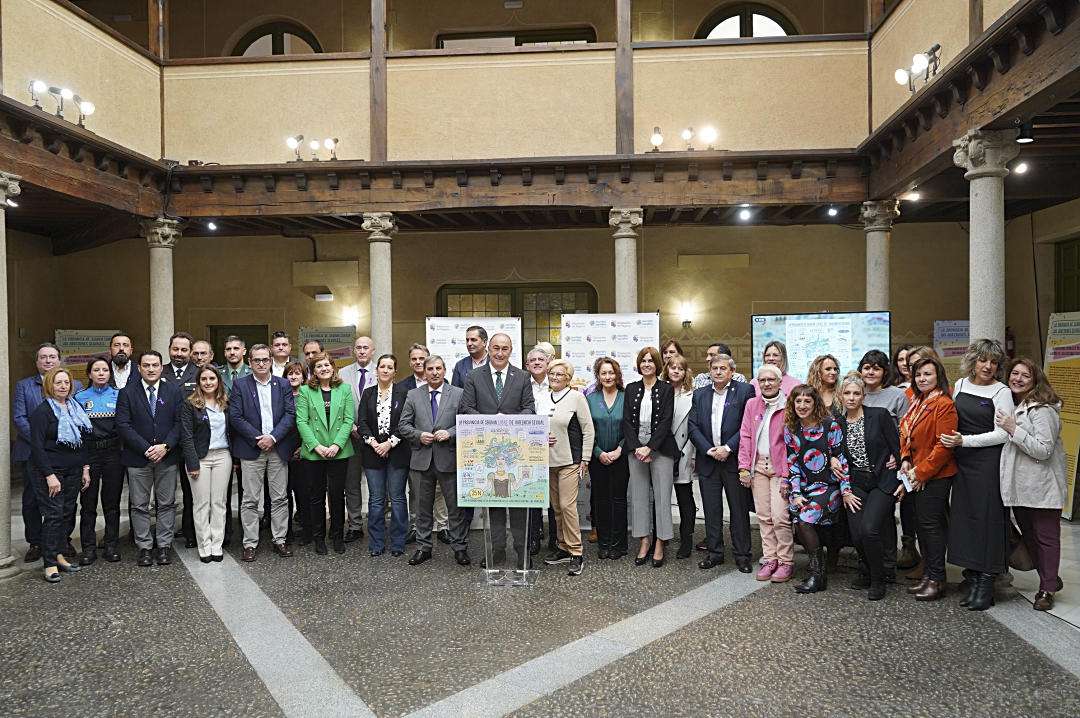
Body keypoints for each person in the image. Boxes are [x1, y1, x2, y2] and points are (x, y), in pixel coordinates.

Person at [939, 339, 1015, 611]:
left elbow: (1003, 434)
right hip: (961, 463)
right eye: (983, 360)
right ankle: (971, 575)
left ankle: (987, 582)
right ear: (973, 361)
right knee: (966, 518)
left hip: (987, 463)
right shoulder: (959, 385)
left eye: (994, 362)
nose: (988, 366)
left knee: (987, 520)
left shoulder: (1001, 391)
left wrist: (965, 442)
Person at [460, 333, 535, 569]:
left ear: (511, 350)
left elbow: (529, 408)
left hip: (515, 450)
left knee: (518, 504)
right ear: (489, 350)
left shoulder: (522, 376)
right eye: (495, 348)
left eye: (504, 348)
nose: (500, 353)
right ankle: (498, 551)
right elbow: (467, 407)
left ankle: (522, 553)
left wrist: (508, 422)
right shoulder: (474, 376)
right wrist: (491, 423)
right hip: (487, 451)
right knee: (495, 504)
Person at [997, 358, 1067, 611]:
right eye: (1014, 373)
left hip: (1043, 487)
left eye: (1025, 375)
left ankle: (1047, 589)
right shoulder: (1013, 405)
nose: (1017, 378)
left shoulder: (1043, 410)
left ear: (1035, 379)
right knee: (1031, 537)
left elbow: (1044, 449)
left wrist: (1013, 429)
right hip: (1021, 487)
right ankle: (1051, 577)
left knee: (1046, 538)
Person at [398, 355, 471, 566]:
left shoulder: (458, 394)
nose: (434, 372)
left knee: (455, 508)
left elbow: (466, 422)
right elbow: (404, 426)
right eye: (430, 369)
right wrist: (418, 435)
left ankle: (460, 548)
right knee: (422, 509)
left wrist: (450, 433)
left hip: (449, 458)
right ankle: (423, 547)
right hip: (421, 460)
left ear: (445, 370)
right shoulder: (413, 395)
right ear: (424, 370)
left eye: (438, 368)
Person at [228, 343, 297, 561]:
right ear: (250, 362)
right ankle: (249, 543)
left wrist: (273, 437)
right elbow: (236, 417)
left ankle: (280, 540)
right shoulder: (240, 385)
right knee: (249, 499)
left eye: (265, 359)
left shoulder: (283, 384)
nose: (261, 363)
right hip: (251, 448)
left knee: (279, 498)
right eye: (256, 360)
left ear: (271, 360)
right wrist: (258, 438)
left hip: (278, 448)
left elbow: (289, 414)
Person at [14, 343, 82, 563]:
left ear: (59, 360)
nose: (48, 360)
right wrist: (39, 441)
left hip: (67, 457)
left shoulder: (76, 386)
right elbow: (19, 418)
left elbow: (78, 421)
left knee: (66, 503)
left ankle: (63, 541)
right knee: (33, 501)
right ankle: (36, 542)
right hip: (35, 455)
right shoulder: (24, 386)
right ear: (37, 362)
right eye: (43, 357)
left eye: (52, 356)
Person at [838, 373, 904, 600]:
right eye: (847, 393)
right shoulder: (836, 423)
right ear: (841, 396)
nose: (852, 397)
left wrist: (902, 476)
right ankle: (866, 569)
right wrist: (832, 460)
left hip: (882, 480)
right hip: (855, 483)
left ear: (863, 396)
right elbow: (832, 452)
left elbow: (898, 448)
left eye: (856, 393)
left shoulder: (879, 415)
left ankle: (879, 578)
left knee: (870, 529)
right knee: (856, 535)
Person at [115, 350, 183, 567]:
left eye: (155, 365)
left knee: (166, 503)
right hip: (138, 458)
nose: (151, 369)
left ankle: (164, 545)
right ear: (139, 368)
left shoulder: (173, 390)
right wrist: (146, 448)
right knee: (139, 505)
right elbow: (123, 425)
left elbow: (180, 423)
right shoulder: (127, 392)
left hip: (167, 457)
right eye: (146, 365)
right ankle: (144, 546)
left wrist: (166, 446)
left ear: (162, 367)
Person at [899, 354, 958, 601]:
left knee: (932, 527)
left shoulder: (943, 404)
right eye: (919, 374)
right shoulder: (918, 401)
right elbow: (906, 433)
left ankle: (937, 578)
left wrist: (920, 473)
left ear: (938, 376)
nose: (922, 379)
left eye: (928, 374)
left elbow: (943, 447)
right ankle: (929, 575)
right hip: (915, 473)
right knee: (923, 526)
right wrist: (905, 458)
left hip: (935, 476)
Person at [689, 353, 756, 572]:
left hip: (733, 460)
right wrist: (709, 450)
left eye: (723, 368)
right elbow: (693, 427)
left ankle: (742, 555)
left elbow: (748, 426)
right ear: (710, 371)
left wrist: (727, 448)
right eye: (714, 368)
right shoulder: (699, 394)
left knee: (738, 510)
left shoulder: (745, 391)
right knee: (712, 510)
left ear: (732, 371)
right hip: (708, 460)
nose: (718, 371)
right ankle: (715, 553)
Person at [783, 384, 850, 594]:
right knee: (796, 516)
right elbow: (792, 464)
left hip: (829, 487)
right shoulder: (791, 429)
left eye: (807, 401)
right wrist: (795, 494)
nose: (802, 406)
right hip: (805, 487)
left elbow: (841, 459)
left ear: (815, 403)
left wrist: (846, 491)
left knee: (804, 519)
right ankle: (819, 567)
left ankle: (817, 575)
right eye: (798, 401)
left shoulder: (830, 425)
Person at [29, 368, 92, 583]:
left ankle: (58, 555)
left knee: (67, 513)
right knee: (54, 516)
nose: (63, 386)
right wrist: (49, 475)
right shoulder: (43, 411)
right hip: (50, 472)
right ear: (49, 385)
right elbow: (36, 447)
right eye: (58, 383)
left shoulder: (75, 408)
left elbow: (83, 441)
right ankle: (49, 564)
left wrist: (85, 468)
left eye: (66, 382)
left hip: (74, 470)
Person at [738, 364, 794, 583]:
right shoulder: (752, 404)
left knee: (780, 517)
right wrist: (744, 467)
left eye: (771, 380)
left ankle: (786, 562)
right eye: (762, 380)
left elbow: (793, 444)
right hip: (758, 467)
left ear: (780, 383)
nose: (767, 384)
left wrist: (789, 474)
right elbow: (745, 436)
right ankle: (770, 558)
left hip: (780, 468)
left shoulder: (789, 405)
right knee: (763, 516)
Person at [624, 346, 679, 568]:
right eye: (643, 360)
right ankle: (644, 541)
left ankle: (660, 542)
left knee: (662, 498)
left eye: (651, 360)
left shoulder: (666, 389)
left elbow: (666, 421)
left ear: (658, 364)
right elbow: (626, 421)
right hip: (635, 450)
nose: (647, 364)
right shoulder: (630, 388)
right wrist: (637, 447)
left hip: (661, 449)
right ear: (639, 364)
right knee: (638, 498)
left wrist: (650, 448)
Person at [295, 353, 355, 555]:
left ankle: (337, 536)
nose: (324, 368)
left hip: (339, 452)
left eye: (327, 365)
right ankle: (318, 538)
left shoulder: (345, 389)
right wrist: (316, 446)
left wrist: (337, 445)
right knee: (316, 496)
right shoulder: (305, 391)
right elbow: (301, 421)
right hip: (314, 453)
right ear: (313, 370)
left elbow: (348, 420)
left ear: (333, 367)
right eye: (319, 366)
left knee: (337, 495)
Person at [542, 359, 594, 576]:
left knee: (567, 505)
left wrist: (586, 458)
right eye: (552, 373)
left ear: (568, 378)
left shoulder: (576, 397)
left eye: (560, 374)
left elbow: (588, 429)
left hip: (570, 461)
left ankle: (576, 552)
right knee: (556, 507)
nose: (554, 377)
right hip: (546, 460)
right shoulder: (542, 397)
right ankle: (562, 547)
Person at [357, 354, 411, 557]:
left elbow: (406, 423)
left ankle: (398, 542)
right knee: (376, 500)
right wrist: (374, 443)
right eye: (382, 366)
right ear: (376, 369)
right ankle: (376, 543)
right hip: (373, 454)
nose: (386, 370)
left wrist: (389, 443)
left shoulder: (404, 393)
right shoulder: (368, 394)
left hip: (397, 453)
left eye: (390, 367)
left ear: (395, 372)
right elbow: (362, 422)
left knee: (397, 498)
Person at [72, 357, 123, 564]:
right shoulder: (80, 397)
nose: (101, 373)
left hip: (113, 454)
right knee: (88, 503)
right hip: (89, 455)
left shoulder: (119, 395)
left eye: (105, 370)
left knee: (112, 503)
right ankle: (88, 549)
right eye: (96, 370)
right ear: (89, 374)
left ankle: (111, 545)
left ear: (110, 373)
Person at [181, 366, 232, 563]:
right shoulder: (190, 404)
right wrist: (192, 463)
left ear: (218, 381)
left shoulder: (225, 403)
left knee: (219, 503)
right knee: (201, 504)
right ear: (198, 382)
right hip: (199, 458)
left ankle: (217, 545)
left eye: (212, 378)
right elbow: (186, 436)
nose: (208, 382)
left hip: (223, 456)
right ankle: (204, 546)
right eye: (204, 379)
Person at [588, 357, 629, 560]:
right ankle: (603, 544)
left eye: (611, 372)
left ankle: (619, 544)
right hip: (598, 459)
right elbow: (587, 430)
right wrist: (598, 452)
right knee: (601, 501)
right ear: (598, 375)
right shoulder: (591, 399)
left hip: (621, 458)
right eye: (603, 373)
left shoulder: (626, 397)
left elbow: (631, 428)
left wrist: (620, 449)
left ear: (617, 374)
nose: (607, 376)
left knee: (619, 501)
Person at [161, 332, 198, 550]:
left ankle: (190, 531)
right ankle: (159, 532)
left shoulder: (200, 373)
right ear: (169, 350)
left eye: (184, 350)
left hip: (188, 441)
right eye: (176, 349)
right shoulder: (160, 371)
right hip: (163, 442)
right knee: (162, 493)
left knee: (191, 491)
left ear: (190, 352)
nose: (179, 354)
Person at [340, 335, 377, 543]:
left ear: (372, 351)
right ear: (354, 351)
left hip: (375, 438)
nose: (362, 351)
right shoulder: (343, 373)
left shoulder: (381, 370)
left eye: (366, 348)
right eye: (358, 348)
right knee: (351, 483)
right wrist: (352, 427)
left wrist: (369, 433)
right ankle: (354, 525)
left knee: (376, 483)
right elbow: (340, 403)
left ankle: (375, 522)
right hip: (351, 436)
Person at [396, 343, 430, 545]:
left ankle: (441, 526)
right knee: (415, 491)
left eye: (422, 358)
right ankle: (416, 526)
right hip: (411, 447)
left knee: (439, 491)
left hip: (437, 446)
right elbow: (401, 420)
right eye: (414, 359)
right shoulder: (401, 387)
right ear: (410, 362)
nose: (418, 362)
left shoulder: (443, 382)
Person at [664, 355, 698, 559]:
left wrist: (688, 452)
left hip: (684, 450)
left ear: (686, 372)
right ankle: (662, 537)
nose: (676, 371)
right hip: (662, 451)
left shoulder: (692, 395)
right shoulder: (659, 392)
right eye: (672, 367)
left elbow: (694, 426)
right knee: (660, 498)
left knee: (685, 497)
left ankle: (687, 539)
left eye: (680, 368)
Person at [219, 335, 251, 547]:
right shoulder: (217, 374)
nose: (232, 352)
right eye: (228, 349)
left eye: (236, 348)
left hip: (245, 435)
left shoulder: (252, 372)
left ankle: (245, 527)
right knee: (222, 487)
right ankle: (226, 529)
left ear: (244, 351)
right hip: (221, 433)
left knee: (246, 487)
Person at [525, 345, 555, 555]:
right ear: (527, 365)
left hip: (554, 445)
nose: (536, 363)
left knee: (554, 496)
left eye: (540, 360)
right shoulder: (521, 385)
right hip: (529, 447)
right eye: (532, 360)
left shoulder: (556, 384)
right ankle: (533, 537)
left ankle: (555, 539)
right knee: (532, 494)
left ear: (547, 364)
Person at [283, 361, 310, 543]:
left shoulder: (308, 395)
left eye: (297, 373)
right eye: (289, 373)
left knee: (304, 492)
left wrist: (304, 446)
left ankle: (307, 529)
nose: (293, 376)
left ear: (303, 377)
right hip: (283, 449)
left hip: (304, 450)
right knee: (284, 492)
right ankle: (287, 531)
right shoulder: (280, 395)